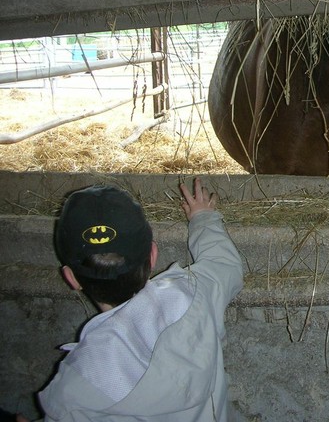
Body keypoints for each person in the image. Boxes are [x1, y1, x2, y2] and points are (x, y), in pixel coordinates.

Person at [28, 178, 243, 421]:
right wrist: (203, 217)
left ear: (71, 279)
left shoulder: (74, 385)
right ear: (152, 256)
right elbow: (224, 264)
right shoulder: (192, 295)